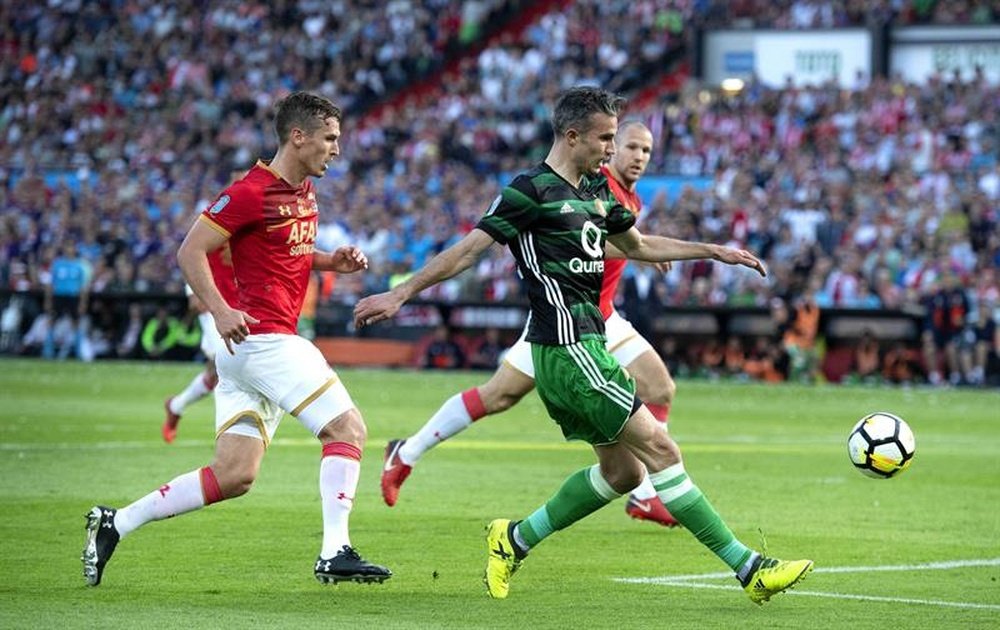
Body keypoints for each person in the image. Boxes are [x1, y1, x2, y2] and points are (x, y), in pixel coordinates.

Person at [355, 86, 812, 604]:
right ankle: (748, 568)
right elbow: (469, 251)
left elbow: (636, 245)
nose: (612, 150)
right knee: (662, 448)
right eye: (606, 139)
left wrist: (711, 252)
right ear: (572, 137)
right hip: (569, 349)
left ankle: (514, 538)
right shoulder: (529, 191)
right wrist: (401, 291)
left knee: (624, 472)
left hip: (587, 343)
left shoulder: (597, 189)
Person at [82, 91, 391, 587]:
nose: (336, 149)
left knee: (234, 475)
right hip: (264, 339)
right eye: (330, 139)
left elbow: (288, 251)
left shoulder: (303, 191)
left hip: (249, 353)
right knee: (348, 431)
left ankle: (117, 521)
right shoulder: (250, 191)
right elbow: (190, 250)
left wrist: (332, 261)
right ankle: (335, 551)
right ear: (298, 136)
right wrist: (222, 309)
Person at [379, 122, 682, 528]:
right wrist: (640, 248)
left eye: (646, 150)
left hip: (603, 317)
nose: (639, 157)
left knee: (660, 385)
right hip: (562, 320)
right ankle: (406, 452)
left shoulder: (631, 199)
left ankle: (645, 493)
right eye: (630, 146)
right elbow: (580, 237)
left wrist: (643, 246)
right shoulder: (594, 182)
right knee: (499, 396)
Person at [161, 243, 237, 443]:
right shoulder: (216, 226)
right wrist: (193, 293)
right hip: (213, 309)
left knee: (215, 372)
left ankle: (176, 406)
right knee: (226, 365)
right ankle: (228, 432)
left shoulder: (248, 227)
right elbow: (192, 251)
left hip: (238, 305)